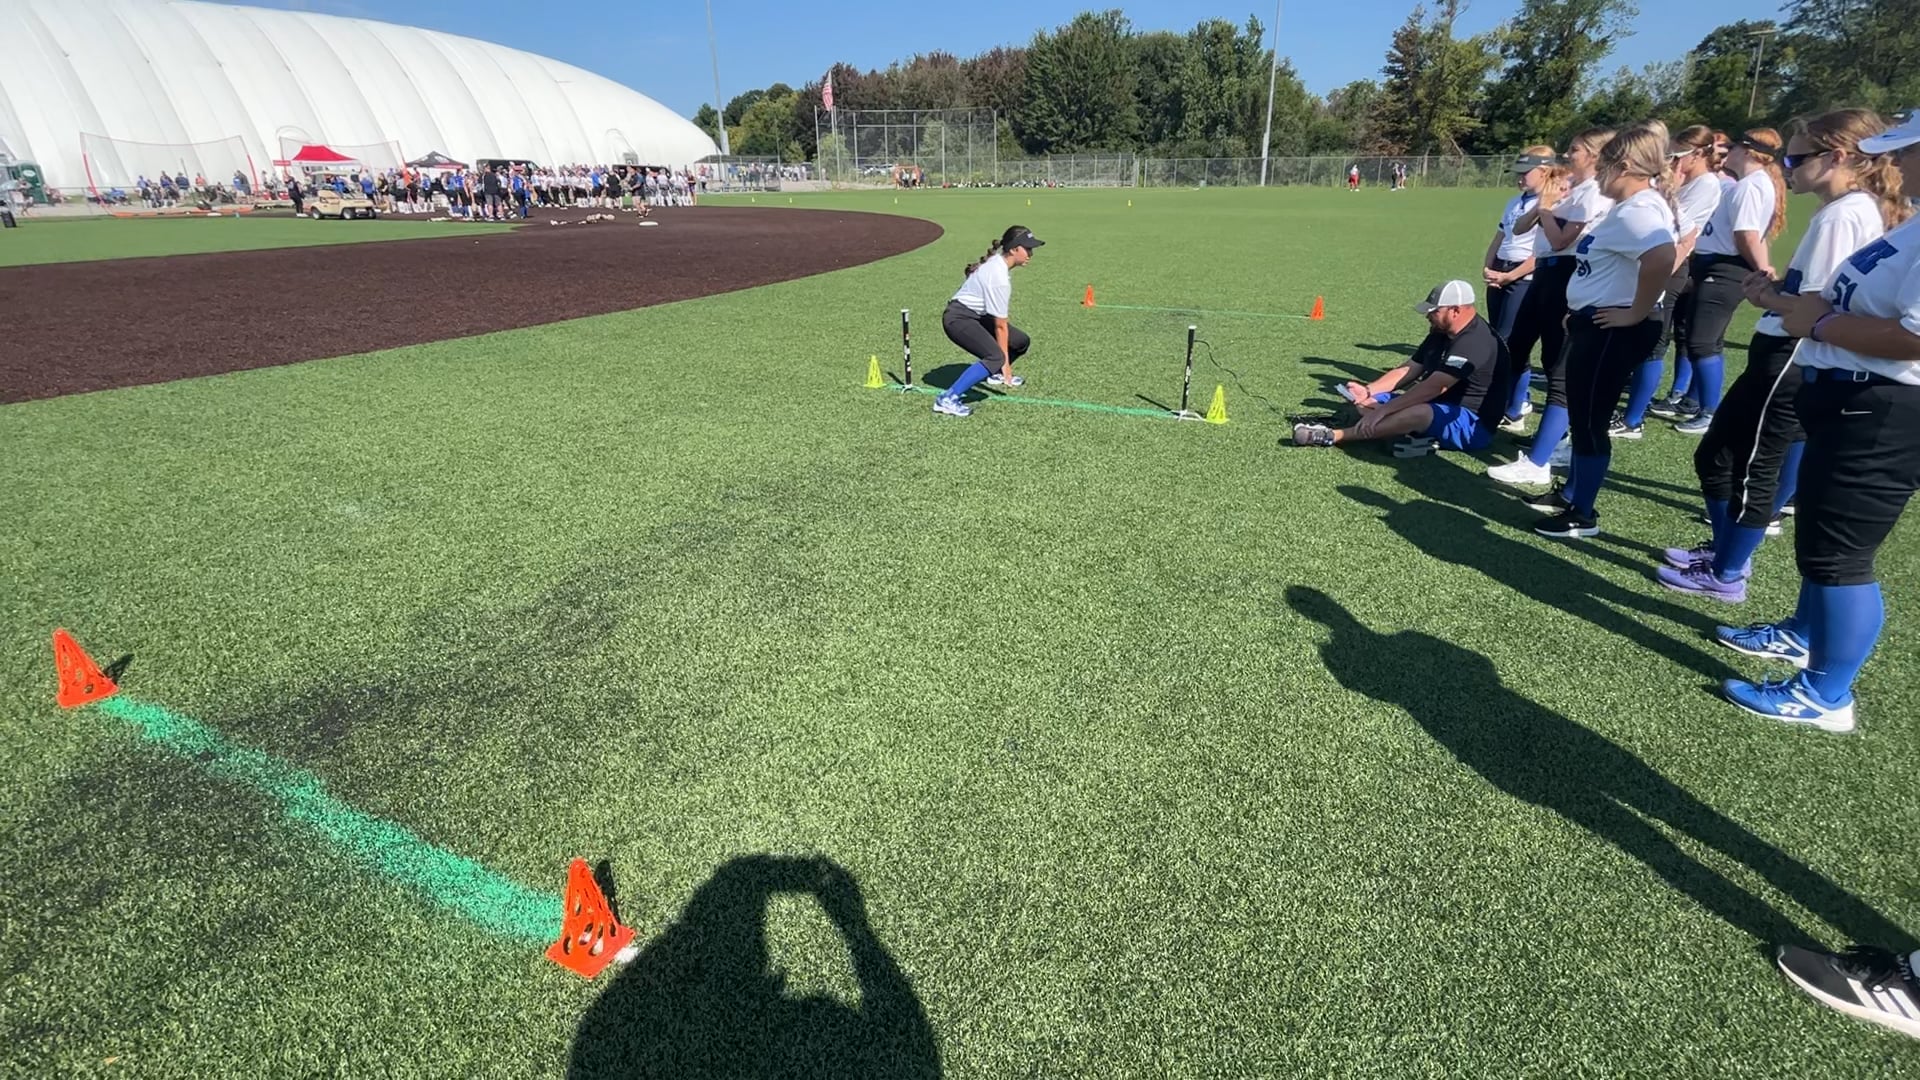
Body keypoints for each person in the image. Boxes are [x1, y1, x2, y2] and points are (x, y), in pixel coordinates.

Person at [1713, 114, 1920, 732]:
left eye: (1907, 151)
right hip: (1851, 395)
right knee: (1821, 543)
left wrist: (1821, 325)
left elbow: (1915, 336)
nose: (1896, 163)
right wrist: (1793, 306)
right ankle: (1803, 635)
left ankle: (1827, 694)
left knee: (1840, 557)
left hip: (1884, 409)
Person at [1659, 109, 1907, 602]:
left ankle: (1728, 572)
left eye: (1795, 159)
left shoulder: (1843, 214)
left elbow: (1814, 309)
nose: (1786, 169)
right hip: (1786, 348)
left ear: (1836, 157)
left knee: (1752, 468)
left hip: (1791, 354)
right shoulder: (1845, 209)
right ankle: (1726, 553)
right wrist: (1771, 294)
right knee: (1719, 456)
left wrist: (1770, 299)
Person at [1525, 121, 1677, 540]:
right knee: (1583, 415)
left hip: (1613, 330)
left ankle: (1583, 513)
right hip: (1595, 322)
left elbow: (1662, 258)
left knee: (1590, 420)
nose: (1596, 172)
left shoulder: (1639, 209)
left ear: (1624, 166)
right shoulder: (1630, 207)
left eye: (1604, 164)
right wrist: (1580, 309)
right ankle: (1573, 493)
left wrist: (1634, 312)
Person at [1488, 127, 1616, 485]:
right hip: (1546, 273)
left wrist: (1545, 209)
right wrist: (1545, 206)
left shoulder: (1593, 192)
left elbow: (1560, 240)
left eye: (1575, 149)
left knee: (1559, 369)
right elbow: (1521, 227)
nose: (1568, 155)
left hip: (1566, 274)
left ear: (1594, 155)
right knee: (1524, 350)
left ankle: (1540, 462)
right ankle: (1539, 431)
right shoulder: (1570, 187)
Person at [1653, 128, 1788, 432]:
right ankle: (1695, 402)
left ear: (1748, 151)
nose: (1729, 152)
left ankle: (1709, 412)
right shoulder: (1750, 183)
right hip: (1717, 265)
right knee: (1705, 340)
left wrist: (1762, 269)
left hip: (1726, 268)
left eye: (1735, 147)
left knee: (1702, 341)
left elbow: (1747, 235)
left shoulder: (1750, 185)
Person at [1292, 280, 1510, 456]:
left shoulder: (1475, 341)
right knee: (1367, 403)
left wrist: (1385, 410)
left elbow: (1436, 386)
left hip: (1472, 424)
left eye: (1433, 311)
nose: (1428, 316)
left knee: (1417, 412)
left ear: (1455, 310)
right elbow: (1410, 368)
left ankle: (1333, 436)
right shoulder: (1441, 331)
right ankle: (1403, 431)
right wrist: (1368, 390)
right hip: (1436, 405)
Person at [1613, 124, 1724, 437]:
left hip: (1671, 265)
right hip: (1659, 261)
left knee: (1655, 343)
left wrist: (1667, 189)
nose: (1673, 161)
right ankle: (1632, 410)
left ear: (1697, 154)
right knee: (1646, 340)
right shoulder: (1688, 182)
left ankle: (1633, 420)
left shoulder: (1707, 184)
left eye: (1678, 155)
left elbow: (1679, 228)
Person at [934, 226, 1045, 419]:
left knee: (1020, 341)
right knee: (995, 357)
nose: (1031, 254)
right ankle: (947, 399)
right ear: (1014, 249)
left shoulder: (998, 263)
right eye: (1027, 249)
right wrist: (1006, 367)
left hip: (976, 315)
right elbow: (1000, 327)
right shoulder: (999, 278)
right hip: (958, 318)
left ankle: (996, 373)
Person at [1483, 148, 1557, 351]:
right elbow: (1500, 236)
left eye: (1525, 173)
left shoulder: (1551, 204)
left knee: (1508, 337)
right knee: (1495, 331)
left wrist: (1511, 276)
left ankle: (1504, 372)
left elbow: (1543, 250)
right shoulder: (1513, 202)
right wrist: (1488, 267)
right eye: (1518, 173)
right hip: (1499, 270)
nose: (1519, 178)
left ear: (1544, 171)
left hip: (1524, 277)